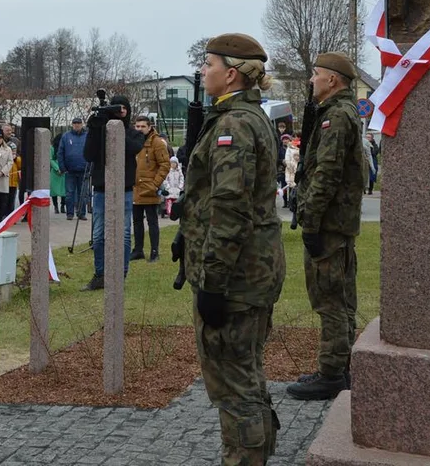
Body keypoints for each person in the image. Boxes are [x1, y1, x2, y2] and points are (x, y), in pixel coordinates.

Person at [179, 33, 283, 464]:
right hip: (250, 271)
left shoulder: (234, 125)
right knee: (248, 378)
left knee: (236, 385)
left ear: (232, 72)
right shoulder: (242, 116)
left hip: (237, 278)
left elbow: (230, 207)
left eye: (208, 64)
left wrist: (214, 283)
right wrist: (187, 236)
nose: (203, 71)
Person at [287, 52, 365, 402]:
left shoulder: (336, 116)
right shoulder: (340, 113)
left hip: (330, 224)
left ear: (333, 80)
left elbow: (327, 174)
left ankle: (332, 373)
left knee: (330, 298)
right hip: (337, 223)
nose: (311, 80)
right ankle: (339, 367)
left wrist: (312, 222)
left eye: (316, 74)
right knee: (341, 297)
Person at [81, 95, 145, 291]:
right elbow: (89, 155)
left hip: (124, 188)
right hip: (101, 188)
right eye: (117, 108)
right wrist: (95, 128)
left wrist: (117, 126)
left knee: (124, 233)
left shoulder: (133, 133)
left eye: (124, 108)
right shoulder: (101, 131)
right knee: (99, 235)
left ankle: (120, 274)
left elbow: (133, 148)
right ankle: (100, 274)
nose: (121, 111)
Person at [131, 115, 170, 262]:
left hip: (149, 188)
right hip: (135, 187)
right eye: (137, 126)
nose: (140, 129)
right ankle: (138, 250)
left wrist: (155, 184)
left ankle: (154, 251)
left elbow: (165, 165)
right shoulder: (134, 141)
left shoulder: (157, 142)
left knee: (152, 221)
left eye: (142, 126)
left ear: (149, 127)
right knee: (136, 221)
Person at [56, 117, 88, 221]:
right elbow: (60, 152)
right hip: (70, 171)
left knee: (83, 193)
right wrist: (62, 167)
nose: (77, 125)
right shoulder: (66, 136)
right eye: (75, 123)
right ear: (72, 124)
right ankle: (70, 213)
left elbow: (91, 151)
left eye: (78, 123)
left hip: (84, 170)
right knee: (69, 193)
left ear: (82, 124)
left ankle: (81, 213)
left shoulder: (87, 136)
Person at [0, 130, 14, 223]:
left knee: (2, 203)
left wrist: (3, 172)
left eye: (0, 138)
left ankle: (0, 221)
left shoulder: (8, 149)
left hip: (2, 178)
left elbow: (10, 162)